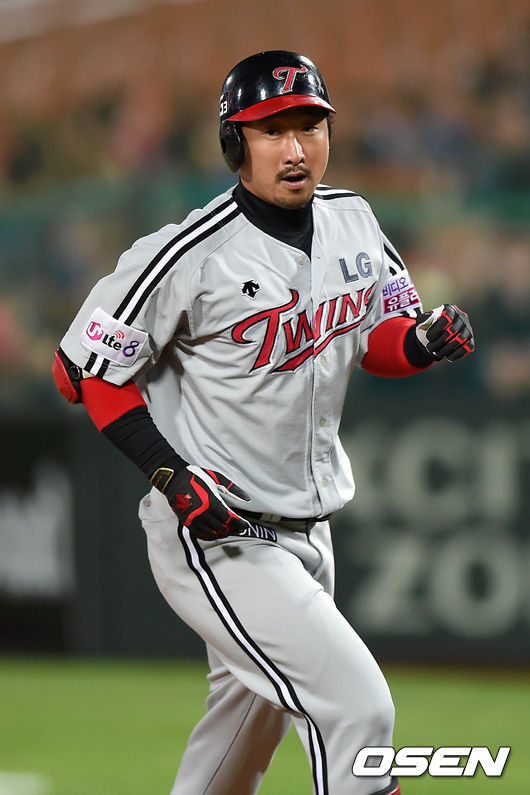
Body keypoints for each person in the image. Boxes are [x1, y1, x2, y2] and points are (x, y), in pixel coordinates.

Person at [53, 51, 474, 795]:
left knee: (237, 749)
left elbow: (376, 336)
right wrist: (169, 474)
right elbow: (82, 372)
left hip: (309, 531)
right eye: (271, 129)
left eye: (309, 125)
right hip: (220, 532)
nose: (295, 146)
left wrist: (420, 342)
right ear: (234, 143)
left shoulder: (354, 219)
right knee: (357, 709)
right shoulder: (189, 251)